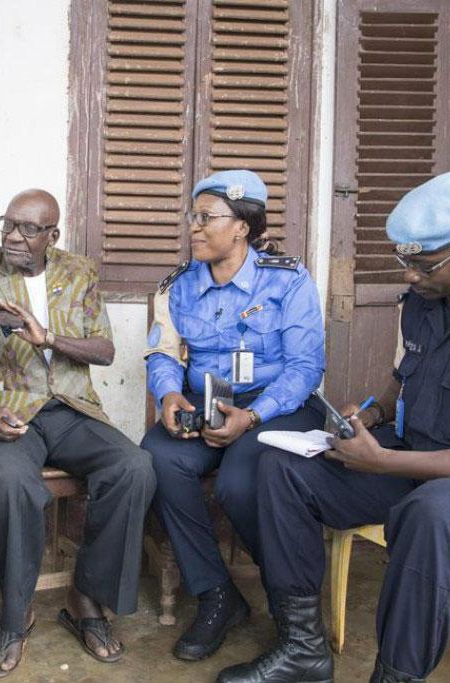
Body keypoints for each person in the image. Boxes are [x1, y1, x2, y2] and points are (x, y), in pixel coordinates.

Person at [216, 171, 450, 683]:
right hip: (411, 462)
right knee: (281, 467)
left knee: (435, 512)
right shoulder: (423, 305)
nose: (409, 275)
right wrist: (372, 414)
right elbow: (403, 380)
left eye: (424, 264)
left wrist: (383, 460)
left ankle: (396, 676)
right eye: (404, 261)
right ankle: (302, 647)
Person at [0, 188, 155, 677]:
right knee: (13, 482)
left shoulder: (79, 272)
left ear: (51, 235)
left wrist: (49, 337)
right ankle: (14, 618)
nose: (14, 236)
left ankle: (86, 597)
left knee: (135, 466)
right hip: (10, 410)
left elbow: (104, 351)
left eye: (29, 229)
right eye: (8, 224)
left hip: (73, 409)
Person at [141, 169, 327, 662]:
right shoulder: (177, 286)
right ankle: (217, 594)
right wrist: (166, 396)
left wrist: (253, 415)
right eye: (193, 217)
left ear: (242, 225)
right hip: (207, 404)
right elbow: (163, 352)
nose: (194, 228)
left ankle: (294, 600)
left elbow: (306, 367)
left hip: (276, 407)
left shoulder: (288, 280)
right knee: (155, 459)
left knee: (239, 483)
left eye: (207, 218)